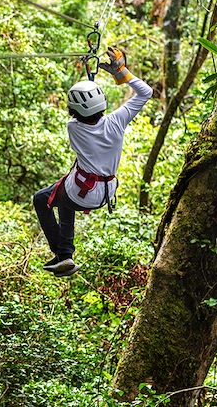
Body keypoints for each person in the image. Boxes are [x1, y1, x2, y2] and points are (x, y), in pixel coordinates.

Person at [33, 48, 153, 277]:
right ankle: (64, 256)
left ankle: (63, 253)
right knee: (65, 196)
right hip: (106, 192)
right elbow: (146, 92)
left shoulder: (73, 128)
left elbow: (81, 113)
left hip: (81, 192)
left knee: (42, 199)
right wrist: (121, 73)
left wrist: (89, 80)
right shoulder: (118, 122)